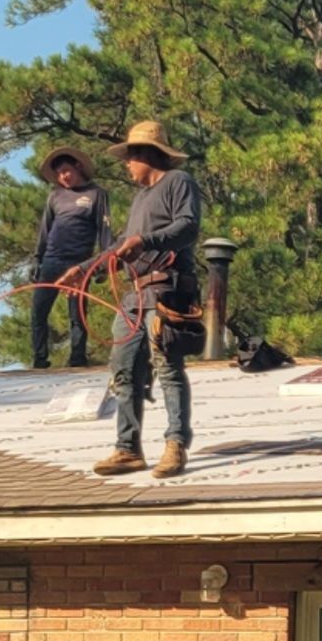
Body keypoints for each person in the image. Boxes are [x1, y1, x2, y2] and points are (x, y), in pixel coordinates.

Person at [58, 121, 201, 479]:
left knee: (168, 367)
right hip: (135, 296)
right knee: (122, 369)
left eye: (129, 157)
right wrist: (85, 269)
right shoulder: (140, 199)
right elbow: (118, 246)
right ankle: (128, 448)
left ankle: (175, 444)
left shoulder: (178, 182)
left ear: (146, 155)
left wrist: (146, 242)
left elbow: (188, 227)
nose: (126, 164)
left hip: (167, 290)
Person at [30, 146, 112, 368]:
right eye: (58, 174)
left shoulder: (96, 194)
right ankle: (39, 359)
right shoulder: (55, 196)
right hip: (52, 259)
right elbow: (45, 230)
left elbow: (104, 232)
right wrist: (37, 258)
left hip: (79, 263)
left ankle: (77, 357)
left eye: (66, 171)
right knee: (38, 311)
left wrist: (104, 265)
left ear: (78, 167)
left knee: (77, 314)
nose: (63, 177)